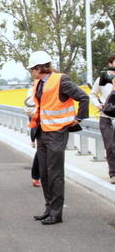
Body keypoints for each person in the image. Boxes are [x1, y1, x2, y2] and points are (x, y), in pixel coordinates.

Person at [27, 51, 89, 225]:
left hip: (56, 133)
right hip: (42, 132)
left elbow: (83, 97)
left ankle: (56, 213)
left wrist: (77, 119)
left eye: (32, 69)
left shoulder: (61, 80)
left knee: (55, 174)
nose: (31, 72)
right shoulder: (39, 82)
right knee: (45, 173)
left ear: (39, 68)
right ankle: (49, 209)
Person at [89, 54, 115, 185]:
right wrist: (98, 104)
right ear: (110, 63)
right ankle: (113, 173)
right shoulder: (103, 79)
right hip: (106, 117)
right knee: (110, 146)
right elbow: (92, 95)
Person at [24, 86, 41, 187]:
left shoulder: (60, 85)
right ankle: (36, 176)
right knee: (41, 151)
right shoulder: (34, 89)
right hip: (40, 123)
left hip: (56, 125)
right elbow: (29, 109)